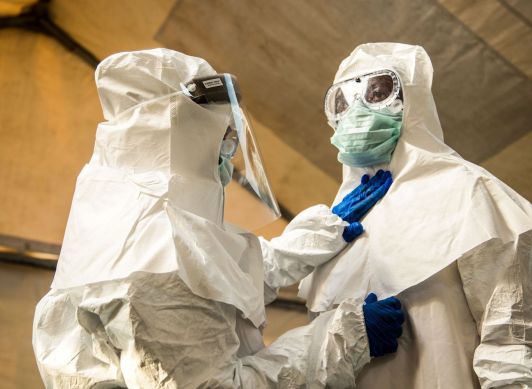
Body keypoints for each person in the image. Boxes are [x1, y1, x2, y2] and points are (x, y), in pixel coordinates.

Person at [32, 48, 404, 388]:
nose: (229, 152)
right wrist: (343, 339)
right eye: (225, 136)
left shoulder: (126, 219)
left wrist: (318, 233)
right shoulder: (152, 265)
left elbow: (213, 283)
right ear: (186, 130)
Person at [299, 43, 532, 388]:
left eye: (377, 92)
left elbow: (517, 343)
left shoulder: (471, 195)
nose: (357, 110)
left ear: (413, 100)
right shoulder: (337, 231)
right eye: (343, 102)